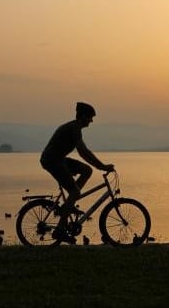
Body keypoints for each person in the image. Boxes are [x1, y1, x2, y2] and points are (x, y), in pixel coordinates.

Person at [40, 102, 114, 243]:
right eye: (90, 118)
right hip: (51, 161)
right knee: (74, 192)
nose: (91, 121)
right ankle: (59, 230)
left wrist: (99, 166)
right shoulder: (73, 128)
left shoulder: (75, 128)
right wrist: (103, 167)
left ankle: (70, 202)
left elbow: (84, 153)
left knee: (87, 170)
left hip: (59, 159)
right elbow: (83, 152)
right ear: (83, 117)